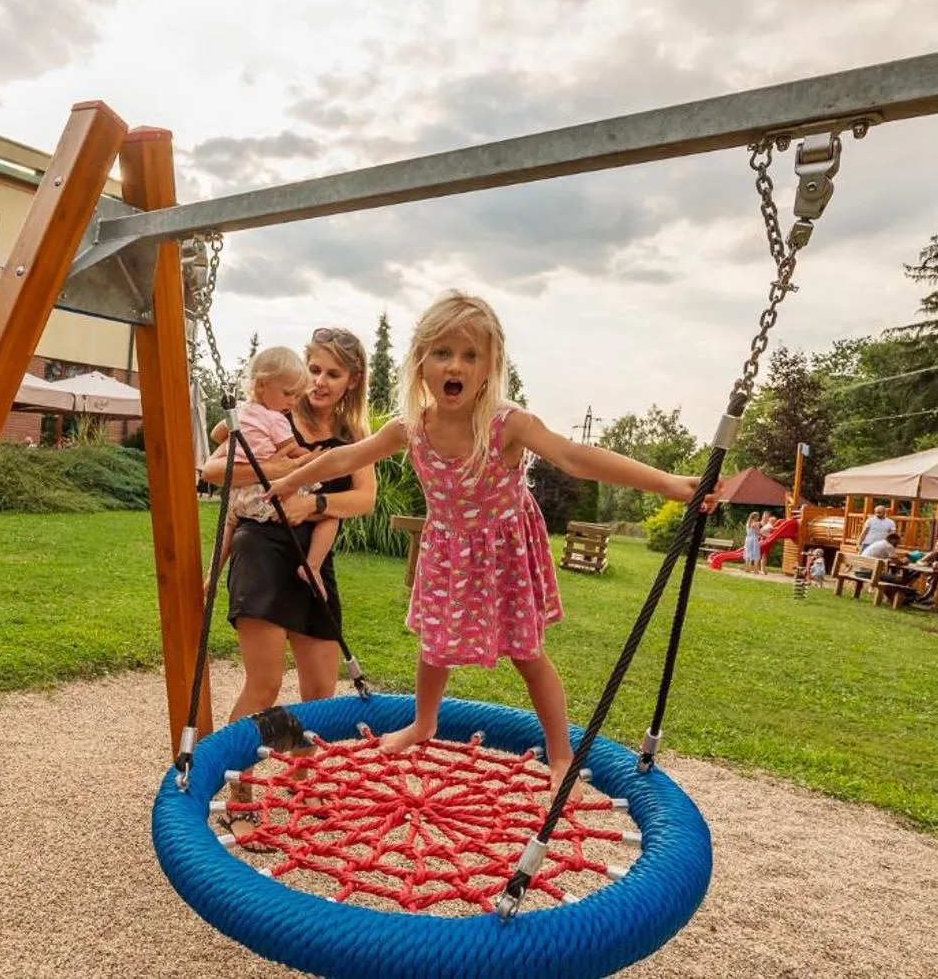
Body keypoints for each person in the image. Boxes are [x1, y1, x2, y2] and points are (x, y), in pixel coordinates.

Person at [267, 290, 711, 788]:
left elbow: (574, 458)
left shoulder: (507, 424)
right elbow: (346, 458)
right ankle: (424, 722)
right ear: (420, 364)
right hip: (448, 550)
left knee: (526, 653)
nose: (455, 365)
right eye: (442, 353)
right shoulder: (411, 427)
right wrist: (288, 480)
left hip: (504, 552)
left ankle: (560, 752)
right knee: (434, 645)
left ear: (489, 365)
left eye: (470, 354)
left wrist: (671, 484)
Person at [199, 326, 377, 727]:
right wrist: (284, 469)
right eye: (314, 368)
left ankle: (304, 787)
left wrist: (311, 503)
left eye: (333, 373)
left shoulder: (353, 437)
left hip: (312, 560)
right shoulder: (274, 415)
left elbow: (364, 499)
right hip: (262, 549)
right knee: (264, 686)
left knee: (320, 693)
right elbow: (213, 471)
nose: (318, 381)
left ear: (352, 380)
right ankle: (236, 780)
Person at [206, 347, 333, 590]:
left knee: (227, 531)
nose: (292, 402)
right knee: (330, 514)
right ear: (261, 385)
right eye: (288, 394)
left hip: (237, 496)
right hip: (265, 495)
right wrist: (314, 457)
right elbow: (294, 451)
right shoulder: (275, 420)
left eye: (296, 396)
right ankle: (313, 567)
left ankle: (211, 578)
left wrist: (241, 439)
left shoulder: (239, 413)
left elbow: (216, 434)